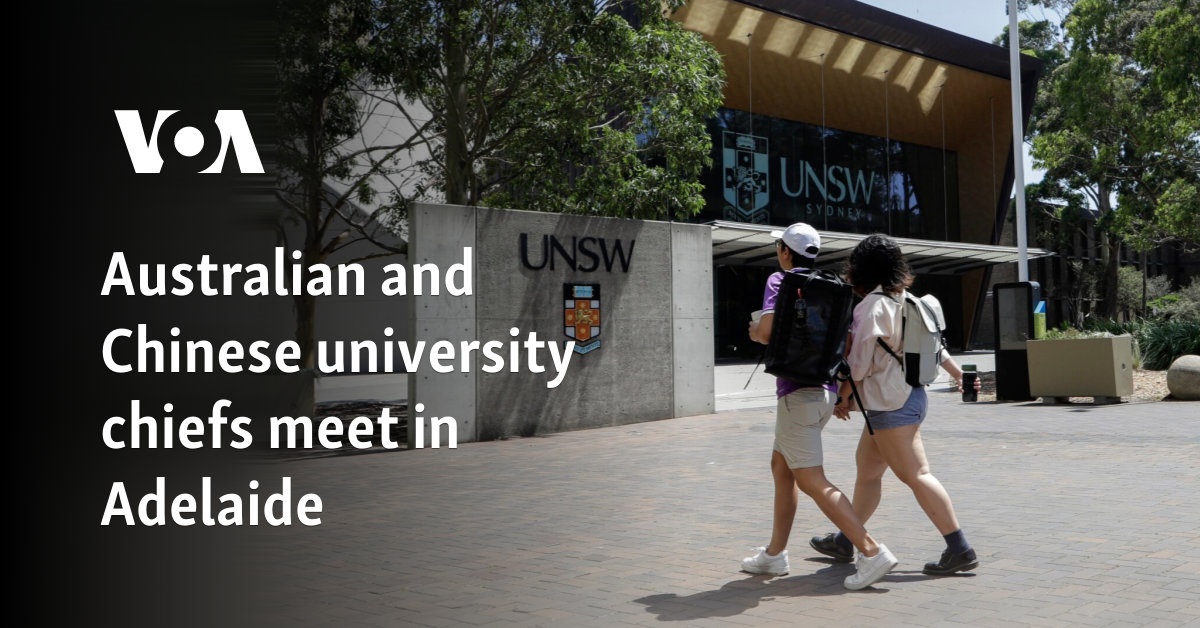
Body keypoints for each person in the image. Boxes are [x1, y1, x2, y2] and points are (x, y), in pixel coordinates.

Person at [742, 222, 898, 591]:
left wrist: (753, 332)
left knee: (811, 479)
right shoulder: (833, 290)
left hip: (797, 394)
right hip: (824, 393)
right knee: (782, 467)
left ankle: (871, 551)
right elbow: (845, 344)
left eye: (779, 247)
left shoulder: (780, 282)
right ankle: (774, 554)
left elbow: (764, 333)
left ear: (784, 252)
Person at [811, 233, 979, 576]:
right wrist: (960, 375)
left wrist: (842, 398)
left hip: (891, 405)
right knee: (869, 472)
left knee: (917, 475)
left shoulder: (872, 306)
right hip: (909, 397)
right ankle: (846, 539)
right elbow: (936, 349)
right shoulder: (909, 300)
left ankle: (959, 547)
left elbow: (858, 364)